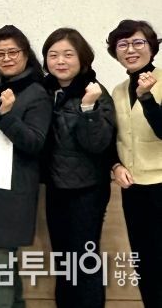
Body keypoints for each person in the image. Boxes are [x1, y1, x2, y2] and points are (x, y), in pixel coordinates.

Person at [42, 28, 115, 308]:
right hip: (56, 187)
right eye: (53, 55)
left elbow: (97, 144)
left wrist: (87, 108)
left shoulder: (94, 92)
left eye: (68, 54)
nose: (60, 61)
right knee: (63, 261)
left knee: (85, 262)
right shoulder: (45, 91)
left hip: (87, 190)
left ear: (82, 58)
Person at [0, 25, 52, 308]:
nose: (7, 58)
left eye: (13, 52)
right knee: (1, 261)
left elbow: (35, 142)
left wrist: (7, 116)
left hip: (14, 189)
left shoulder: (37, 92)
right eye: (0, 54)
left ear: (26, 54)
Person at [106, 20, 162, 307]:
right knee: (145, 263)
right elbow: (113, 136)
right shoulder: (117, 91)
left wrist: (147, 99)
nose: (130, 50)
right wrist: (116, 166)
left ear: (151, 47)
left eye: (138, 42)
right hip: (133, 189)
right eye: (123, 44)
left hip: (160, 184)